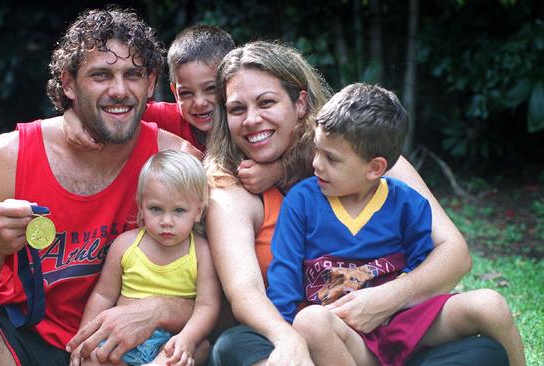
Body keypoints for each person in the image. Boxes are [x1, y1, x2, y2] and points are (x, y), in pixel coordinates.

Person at [0, 7, 201, 366]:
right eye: (101, 75)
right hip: (23, 344)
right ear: (68, 84)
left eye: (133, 75)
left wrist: (158, 309)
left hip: (130, 352)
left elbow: (226, 301)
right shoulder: (11, 155)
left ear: (151, 82)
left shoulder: (176, 161)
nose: (120, 90)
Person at [203, 41, 509, 366]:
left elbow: (455, 254)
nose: (251, 119)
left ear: (301, 103)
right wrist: (287, 338)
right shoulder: (229, 190)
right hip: (309, 335)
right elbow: (245, 292)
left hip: (392, 325)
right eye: (237, 109)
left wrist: (383, 299)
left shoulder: (366, 157)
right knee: (234, 346)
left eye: (266, 102)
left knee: (484, 353)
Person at [266, 82, 525, 366]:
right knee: (310, 321)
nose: (317, 164)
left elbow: (422, 265)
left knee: (490, 304)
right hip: (347, 333)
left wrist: (391, 303)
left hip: (405, 322)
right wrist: (286, 338)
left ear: (375, 168)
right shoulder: (301, 202)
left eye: (332, 158)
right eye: (317, 151)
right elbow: (284, 279)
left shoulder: (407, 204)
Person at [64, 24, 282, 194]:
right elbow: (113, 112)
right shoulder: (166, 117)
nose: (199, 103)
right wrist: (72, 117)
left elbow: (305, 142)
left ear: (230, 83)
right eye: (186, 93)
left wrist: (276, 171)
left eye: (211, 89)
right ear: (174, 92)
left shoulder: (250, 121)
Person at [70, 150, 220, 366]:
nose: (166, 221)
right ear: (141, 206)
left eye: (179, 210)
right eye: (156, 209)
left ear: (198, 211)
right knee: (90, 359)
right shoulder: (126, 245)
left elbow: (207, 306)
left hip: (168, 343)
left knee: (200, 347)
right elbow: (103, 295)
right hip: (119, 339)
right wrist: (84, 339)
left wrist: (187, 338)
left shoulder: (201, 252)